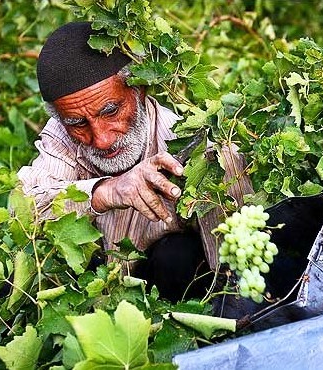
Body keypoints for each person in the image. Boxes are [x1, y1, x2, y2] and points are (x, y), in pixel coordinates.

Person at [17, 22, 252, 299]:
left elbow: (236, 273)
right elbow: (24, 212)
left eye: (111, 111)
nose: (101, 139)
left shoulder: (203, 151)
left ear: (139, 90)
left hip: (162, 294)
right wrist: (105, 192)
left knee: (176, 255)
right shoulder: (62, 135)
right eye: (77, 123)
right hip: (93, 297)